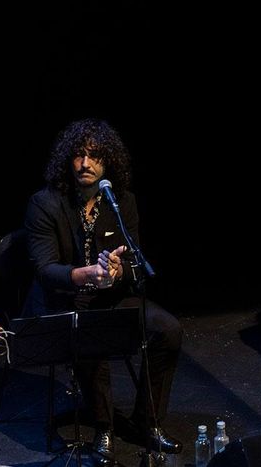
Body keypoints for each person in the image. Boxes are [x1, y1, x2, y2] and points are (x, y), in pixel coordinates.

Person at [23, 119, 183, 464]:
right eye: (79, 155)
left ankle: (147, 422)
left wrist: (116, 271)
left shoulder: (121, 201)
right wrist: (88, 274)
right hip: (64, 299)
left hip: (110, 295)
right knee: (92, 334)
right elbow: (45, 270)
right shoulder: (45, 203)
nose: (85, 163)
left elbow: (133, 260)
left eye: (94, 155)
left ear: (107, 161)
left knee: (168, 330)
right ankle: (104, 426)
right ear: (68, 160)